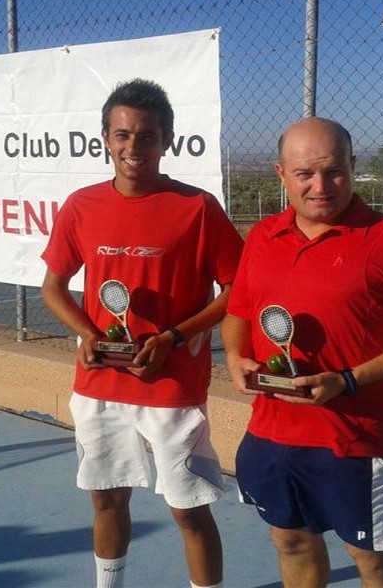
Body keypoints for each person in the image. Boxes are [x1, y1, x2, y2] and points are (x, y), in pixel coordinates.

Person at [222, 117, 383, 588]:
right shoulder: (262, 237)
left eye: (333, 171)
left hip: (354, 438)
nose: (320, 187)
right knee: (290, 542)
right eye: (304, 174)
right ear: (281, 173)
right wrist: (234, 356)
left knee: (371, 558)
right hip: (271, 432)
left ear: (352, 167)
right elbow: (239, 314)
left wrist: (347, 380)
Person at [41, 79, 243, 588]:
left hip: (172, 387)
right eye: (123, 135)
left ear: (167, 140)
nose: (134, 147)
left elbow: (237, 290)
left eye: (147, 136)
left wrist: (172, 337)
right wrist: (89, 334)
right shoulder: (80, 205)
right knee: (107, 500)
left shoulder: (197, 207)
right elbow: (53, 288)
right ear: (106, 139)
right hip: (99, 386)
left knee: (188, 510)